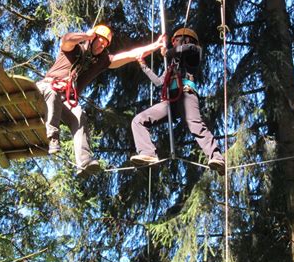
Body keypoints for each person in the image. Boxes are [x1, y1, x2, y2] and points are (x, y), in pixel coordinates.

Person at [37, 24, 166, 175]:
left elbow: (131, 55)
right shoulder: (75, 49)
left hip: (66, 99)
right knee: (52, 93)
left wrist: (155, 46)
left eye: (106, 44)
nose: (102, 46)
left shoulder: (102, 61)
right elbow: (66, 39)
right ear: (92, 39)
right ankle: (52, 137)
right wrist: (86, 35)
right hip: (46, 87)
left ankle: (84, 161)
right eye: (101, 41)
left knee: (79, 116)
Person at [130, 27, 226, 175]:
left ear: (185, 39)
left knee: (195, 126)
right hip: (170, 101)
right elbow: (159, 82)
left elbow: (189, 48)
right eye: (173, 41)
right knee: (139, 120)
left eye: (176, 40)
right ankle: (148, 152)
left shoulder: (193, 53)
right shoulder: (172, 64)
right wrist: (143, 65)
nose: (173, 43)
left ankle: (217, 158)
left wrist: (168, 52)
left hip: (186, 95)